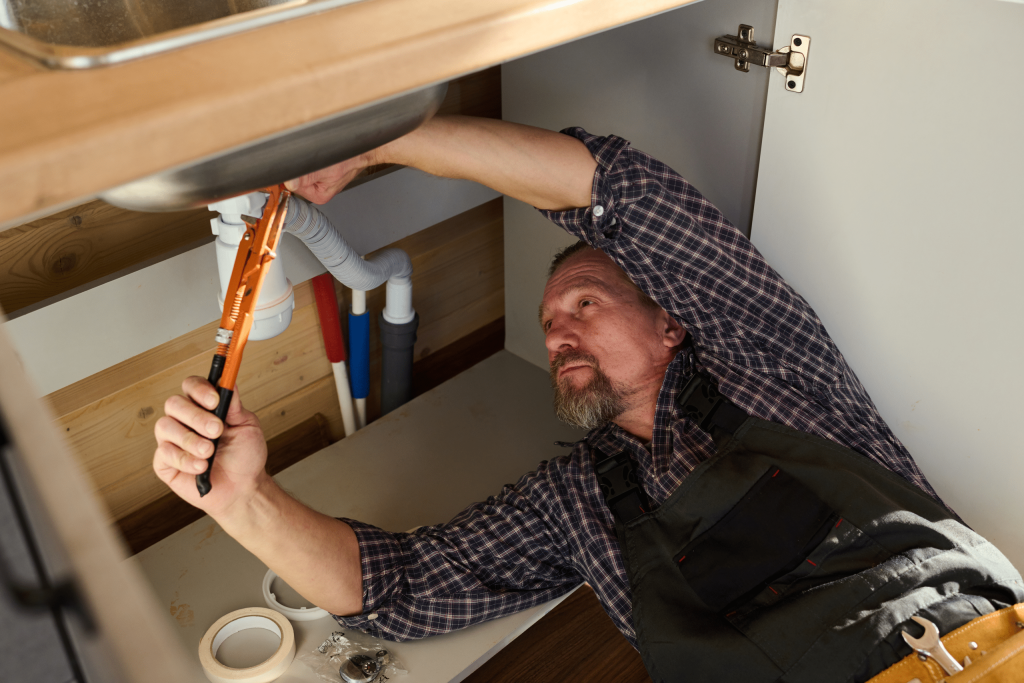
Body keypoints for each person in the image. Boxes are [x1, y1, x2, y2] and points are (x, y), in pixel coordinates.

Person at [153, 116, 1024, 683]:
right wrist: (243, 499)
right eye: (549, 322)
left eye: (585, 304)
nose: (559, 333)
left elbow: (621, 192)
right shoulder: (576, 499)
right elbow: (398, 587)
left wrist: (385, 137)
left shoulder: (768, 365)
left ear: (673, 322)